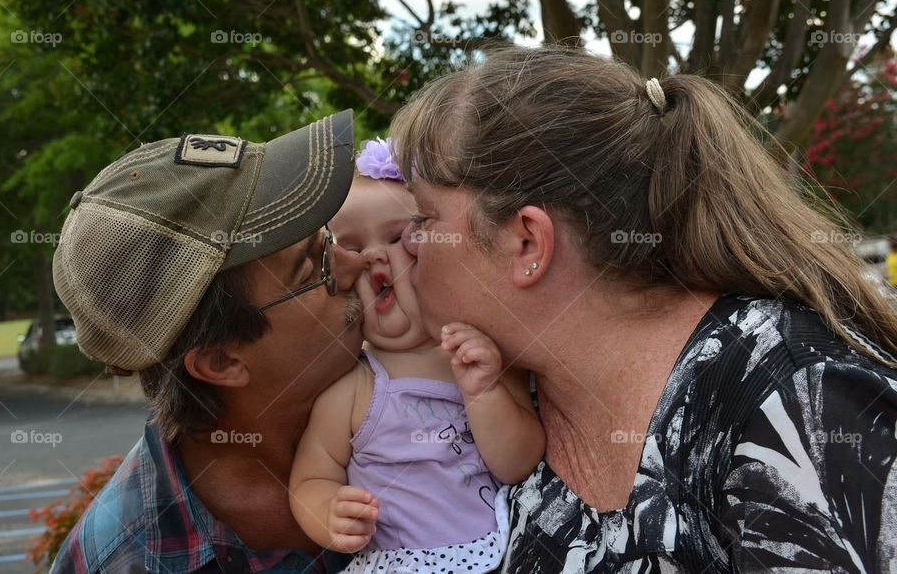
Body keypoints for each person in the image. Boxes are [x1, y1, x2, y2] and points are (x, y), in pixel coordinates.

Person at [389, 45, 897, 572]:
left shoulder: (799, 400)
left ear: (527, 244)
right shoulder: (502, 398)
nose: (407, 243)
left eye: (424, 218)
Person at [49, 112, 367, 573]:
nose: (355, 263)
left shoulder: (430, 392)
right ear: (221, 361)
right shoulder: (131, 561)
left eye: (330, 237)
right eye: (316, 267)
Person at [288, 139, 545, 573]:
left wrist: (484, 394)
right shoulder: (353, 387)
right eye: (350, 248)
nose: (371, 258)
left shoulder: (484, 358)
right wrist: (328, 512)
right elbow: (310, 478)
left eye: (396, 237)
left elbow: (518, 463)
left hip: (496, 553)